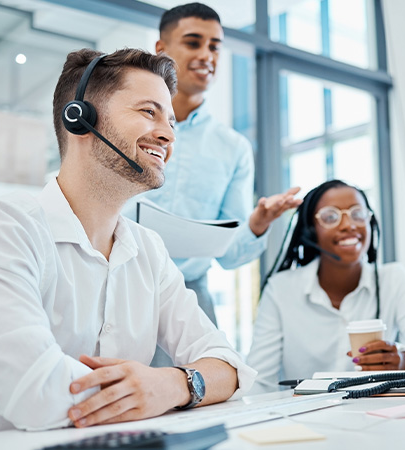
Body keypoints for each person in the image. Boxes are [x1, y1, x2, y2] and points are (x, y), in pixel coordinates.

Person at [0, 47, 257, 435]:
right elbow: (34, 394)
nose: (169, 134)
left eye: (170, 120)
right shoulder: (4, 230)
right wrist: (157, 389)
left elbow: (230, 366)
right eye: (148, 112)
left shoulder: (149, 250)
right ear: (80, 118)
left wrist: (170, 384)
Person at [123, 3, 300, 358]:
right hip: (119, 284)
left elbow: (231, 255)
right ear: (161, 50)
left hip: (190, 295)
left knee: (207, 396)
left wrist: (257, 224)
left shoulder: (232, 147)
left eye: (215, 46)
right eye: (193, 42)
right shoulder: (123, 120)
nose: (207, 55)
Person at [247, 179, 405, 394]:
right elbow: (258, 382)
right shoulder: (280, 290)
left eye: (357, 214)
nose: (349, 225)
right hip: (306, 419)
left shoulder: (394, 280)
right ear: (311, 232)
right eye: (331, 217)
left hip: (376, 415)